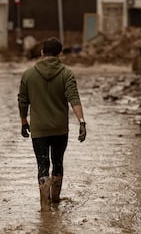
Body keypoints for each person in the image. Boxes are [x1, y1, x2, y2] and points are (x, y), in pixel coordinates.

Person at [18, 37, 86, 211]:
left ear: (42, 53)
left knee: (42, 164)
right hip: (59, 129)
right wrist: (82, 121)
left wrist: (24, 121)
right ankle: (55, 199)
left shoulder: (28, 74)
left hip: (39, 129)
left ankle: (45, 206)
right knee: (58, 162)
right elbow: (74, 98)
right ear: (59, 54)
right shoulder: (66, 73)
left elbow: (23, 101)